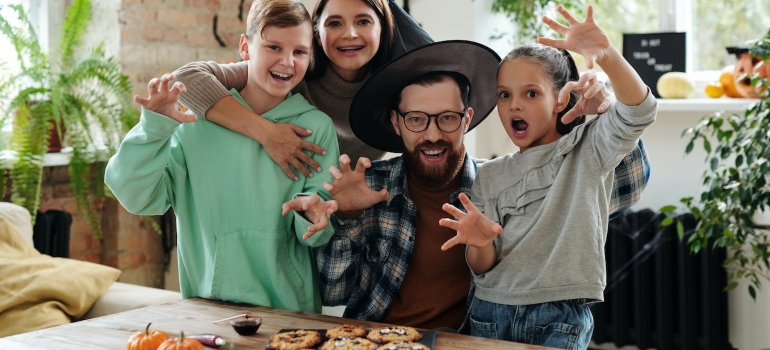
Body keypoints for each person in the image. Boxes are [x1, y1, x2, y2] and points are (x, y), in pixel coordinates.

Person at [310, 38, 647, 331]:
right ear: (396, 123)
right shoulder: (370, 187)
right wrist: (348, 218)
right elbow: (333, 292)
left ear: (467, 119)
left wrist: (604, 110)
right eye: (415, 119)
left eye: (447, 118)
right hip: (379, 339)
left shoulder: (499, 183)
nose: (432, 134)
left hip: (469, 338)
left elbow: (629, 183)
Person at [170, 0, 633, 181]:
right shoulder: (296, 68)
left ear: (383, 27)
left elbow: (470, 108)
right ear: (316, 35)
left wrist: (600, 96)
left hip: (381, 181)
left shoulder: (405, 78)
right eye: (334, 23)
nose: (349, 34)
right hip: (298, 181)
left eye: (363, 21)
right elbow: (188, 81)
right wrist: (266, 133)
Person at [438, 6, 656, 349]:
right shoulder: (490, 175)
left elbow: (640, 111)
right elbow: (483, 267)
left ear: (560, 99)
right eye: (504, 95)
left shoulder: (589, 148)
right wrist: (478, 243)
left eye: (531, 93)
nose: (514, 106)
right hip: (489, 312)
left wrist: (608, 55)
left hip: (559, 317)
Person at [104, 0, 340, 313]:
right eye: (273, 47)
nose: (287, 62)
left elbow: (313, 231)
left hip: (289, 310)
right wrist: (154, 129)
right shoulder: (194, 123)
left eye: (299, 51)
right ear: (245, 47)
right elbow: (138, 197)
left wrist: (316, 218)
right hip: (207, 306)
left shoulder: (316, 127)